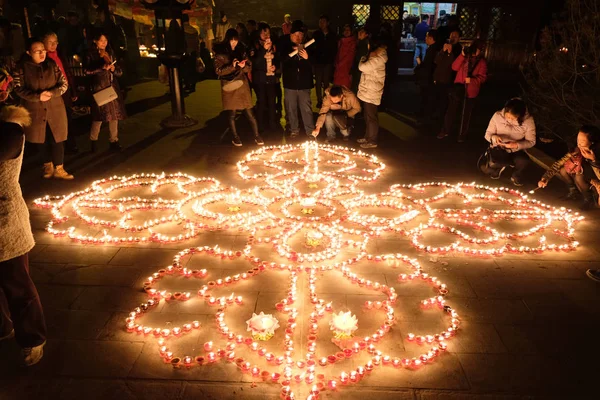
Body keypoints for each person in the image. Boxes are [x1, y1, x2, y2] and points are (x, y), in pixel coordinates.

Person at [0, 79, 48, 367]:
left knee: (18, 286)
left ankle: (32, 338)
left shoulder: (9, 130)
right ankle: (3, 328)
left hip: (5, 224)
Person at [15, 38, 73, 180]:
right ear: (29, 52)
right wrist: (36, 96)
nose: (42, 54)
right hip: (35, 108)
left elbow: (63, 84)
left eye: (44, 51)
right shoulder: (21, 68)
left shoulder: (52, 65)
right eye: (37, 51)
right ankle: (47, 165)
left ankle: (59, 167)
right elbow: (18, 88)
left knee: (57, 137)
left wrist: (53, 93)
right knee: (41, 138)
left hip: (55, 107)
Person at [214, 28, 263, 147]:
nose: (234, 43)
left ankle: (257, 135)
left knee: (249, 111)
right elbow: (219, 71)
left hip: (241, 83)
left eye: (236, 40)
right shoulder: (220, 52)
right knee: (232, 113)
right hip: (229, 84)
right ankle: (235, 137)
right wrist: (232, 66)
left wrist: (243, 65)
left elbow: (249, 67)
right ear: (227, 40)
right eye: (232, 41)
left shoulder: (242, 50)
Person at [538, 126, 600, 210]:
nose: (579, 144)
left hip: (595, 182)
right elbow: (559, 163)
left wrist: (594, 160)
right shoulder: (577, 150)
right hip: (586, 177)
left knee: (579, 177)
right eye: (578, 140)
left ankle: (590, 200)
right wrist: (546, 177)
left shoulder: (597, 154)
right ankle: (574, 192)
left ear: (592, 142)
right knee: (564, 170)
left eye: (582, 141)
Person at [437, 39, 487, 142]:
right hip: (458, 88)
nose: (475, 51)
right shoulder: (465, 58)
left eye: (477, 49)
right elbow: (454, 67)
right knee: (451, 111)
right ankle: (445, 130)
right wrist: (462, 55)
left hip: (470, 92)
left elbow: (483, 77)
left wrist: (473, 80)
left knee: (466, 114)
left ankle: (462, 134)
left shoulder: (481, 62)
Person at [85, 32, 126, 153]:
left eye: (106, 41)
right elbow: (87, 70)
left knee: (114, 115)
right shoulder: (90, 54)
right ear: (95, 41)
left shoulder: (110, 52)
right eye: (101, 41)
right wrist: (101, 68)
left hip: (112, 85)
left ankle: (114, 140)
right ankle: (94, 141)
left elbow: (119, 71)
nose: (104, 43)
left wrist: (114, 69)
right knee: (98, 117)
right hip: (99, 87)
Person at [484, 98, 536, 186]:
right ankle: (497, 168)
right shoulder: (497, 116)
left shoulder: (528, 121)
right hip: (499, 148)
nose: (509, 120)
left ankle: (516, 175)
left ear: (520, 116)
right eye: (507, 117)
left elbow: (531, 141)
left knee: (524, 161)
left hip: (516, 150)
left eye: (513, 118)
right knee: (495, 162)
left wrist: (517, 145)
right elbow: (487, 134)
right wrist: (494, 137)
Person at [42, 32, 79, 154]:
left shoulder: (60, 55)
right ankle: (59, 147)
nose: (53, 45)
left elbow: (67, 73)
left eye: (55, 42)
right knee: (57, 120)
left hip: (65, 91)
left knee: (68, 117)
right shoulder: (44, 59)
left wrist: (73, 90)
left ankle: (71, 144)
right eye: (50, 42)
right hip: (54, 93)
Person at [278, 20, 315, 138]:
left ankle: (310, 131)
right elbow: (282, 59)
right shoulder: (284, 43)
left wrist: (307, 58)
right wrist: (292, 53)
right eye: (297, 35)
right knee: (291, 108)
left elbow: (314, 64)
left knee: (306, 108)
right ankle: (294, 129)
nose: (299, 37)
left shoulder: (309, 45)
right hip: (290, 83)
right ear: (291, 34)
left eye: (301, 35)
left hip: (304, 83)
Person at [356, 37, 387, 149]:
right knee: (367, 116)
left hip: (372, 92)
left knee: (371, 117)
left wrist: (364, 57)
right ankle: (368, 137)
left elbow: (362, 67)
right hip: (369, 90)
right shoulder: (375, 56)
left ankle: (372, 140)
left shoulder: (378, 58)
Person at [251, 23, 280, 134]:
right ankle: (260, 126)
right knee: (262, 102)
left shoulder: (273, 45)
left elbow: (277, 58)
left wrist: (275, 66)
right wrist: (263, 49)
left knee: (272, 101)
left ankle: (273, 125)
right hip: (260, 79)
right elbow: (255, 62)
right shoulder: (255, 45)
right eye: (264, 32)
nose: (266, 35)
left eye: (268, 32)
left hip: (271, 78)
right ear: (259, 33)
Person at [432, 29, 462, 121]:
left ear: (459, 38)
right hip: (440, 77)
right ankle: (436, 114)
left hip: (449, 78)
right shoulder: (445, 46)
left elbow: (454, 65)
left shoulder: (459, 49)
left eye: (455, 36)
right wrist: (442, 51)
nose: (452, 38)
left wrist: (449, 53)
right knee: (437, 96)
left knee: (445, 99)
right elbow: (436, 61)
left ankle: (442, 117)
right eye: (451, 36)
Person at [414, 29, 441, 119]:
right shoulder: (432, 49)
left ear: (431, 38)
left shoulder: (433, 50)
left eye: (427, 36)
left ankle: (424, 117)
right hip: (428, 78)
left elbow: (428, 66)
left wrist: (420, 65)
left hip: (428, 79)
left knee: (426, 98)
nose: (425, 38)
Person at [312, 15, 338, 108]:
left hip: (328, 61)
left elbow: (334, 48)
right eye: (320, 22)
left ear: (327, 23)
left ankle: (325, 99)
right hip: (318, 61)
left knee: (326, 82)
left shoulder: (332, 35)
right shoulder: (316, 34)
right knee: (318, 82)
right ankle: (319, 100)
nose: (321, 23)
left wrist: (332, 59)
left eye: (323, 21)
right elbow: (312, 47)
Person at [333, 24, 357, 89]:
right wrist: (336, 62)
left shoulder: (353, 42)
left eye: (348, 30)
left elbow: (350, 55)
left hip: (346, 68)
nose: (346, 32)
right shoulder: (341, 41)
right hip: (338, 68)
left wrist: (340, 64)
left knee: (344, 89)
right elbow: (338, 53)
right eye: (345, 30)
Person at [351, 28, 369, 93]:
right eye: (359, 31)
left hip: (359, 70)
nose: (360, 33)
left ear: (366, 34)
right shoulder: (359, 43)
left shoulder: (365, 44)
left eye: (362, 32)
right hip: (357, 69)